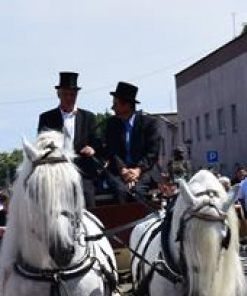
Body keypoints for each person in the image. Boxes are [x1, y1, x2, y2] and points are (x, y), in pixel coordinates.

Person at [38, 71, 101, 207]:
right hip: (57, 172)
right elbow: (42, 145)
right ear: (58, 94)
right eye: (65, 94)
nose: (69, 98)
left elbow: (97, 142)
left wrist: (92, 148)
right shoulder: (47, 118)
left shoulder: (88, 117)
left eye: (72, 94)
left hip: (82, 172)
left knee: (88, 199)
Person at [103, 81, 161, 203]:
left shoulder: (149, 123)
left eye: (116, 104)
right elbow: (112, 151)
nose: (112, 108)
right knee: (121, 190)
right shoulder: (112, 124)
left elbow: (152, 152)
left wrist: (138, 170)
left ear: (127, 105)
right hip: (119, 171)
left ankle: (141, 221)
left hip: (144, 170)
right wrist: (123, 170)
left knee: (138, 191)